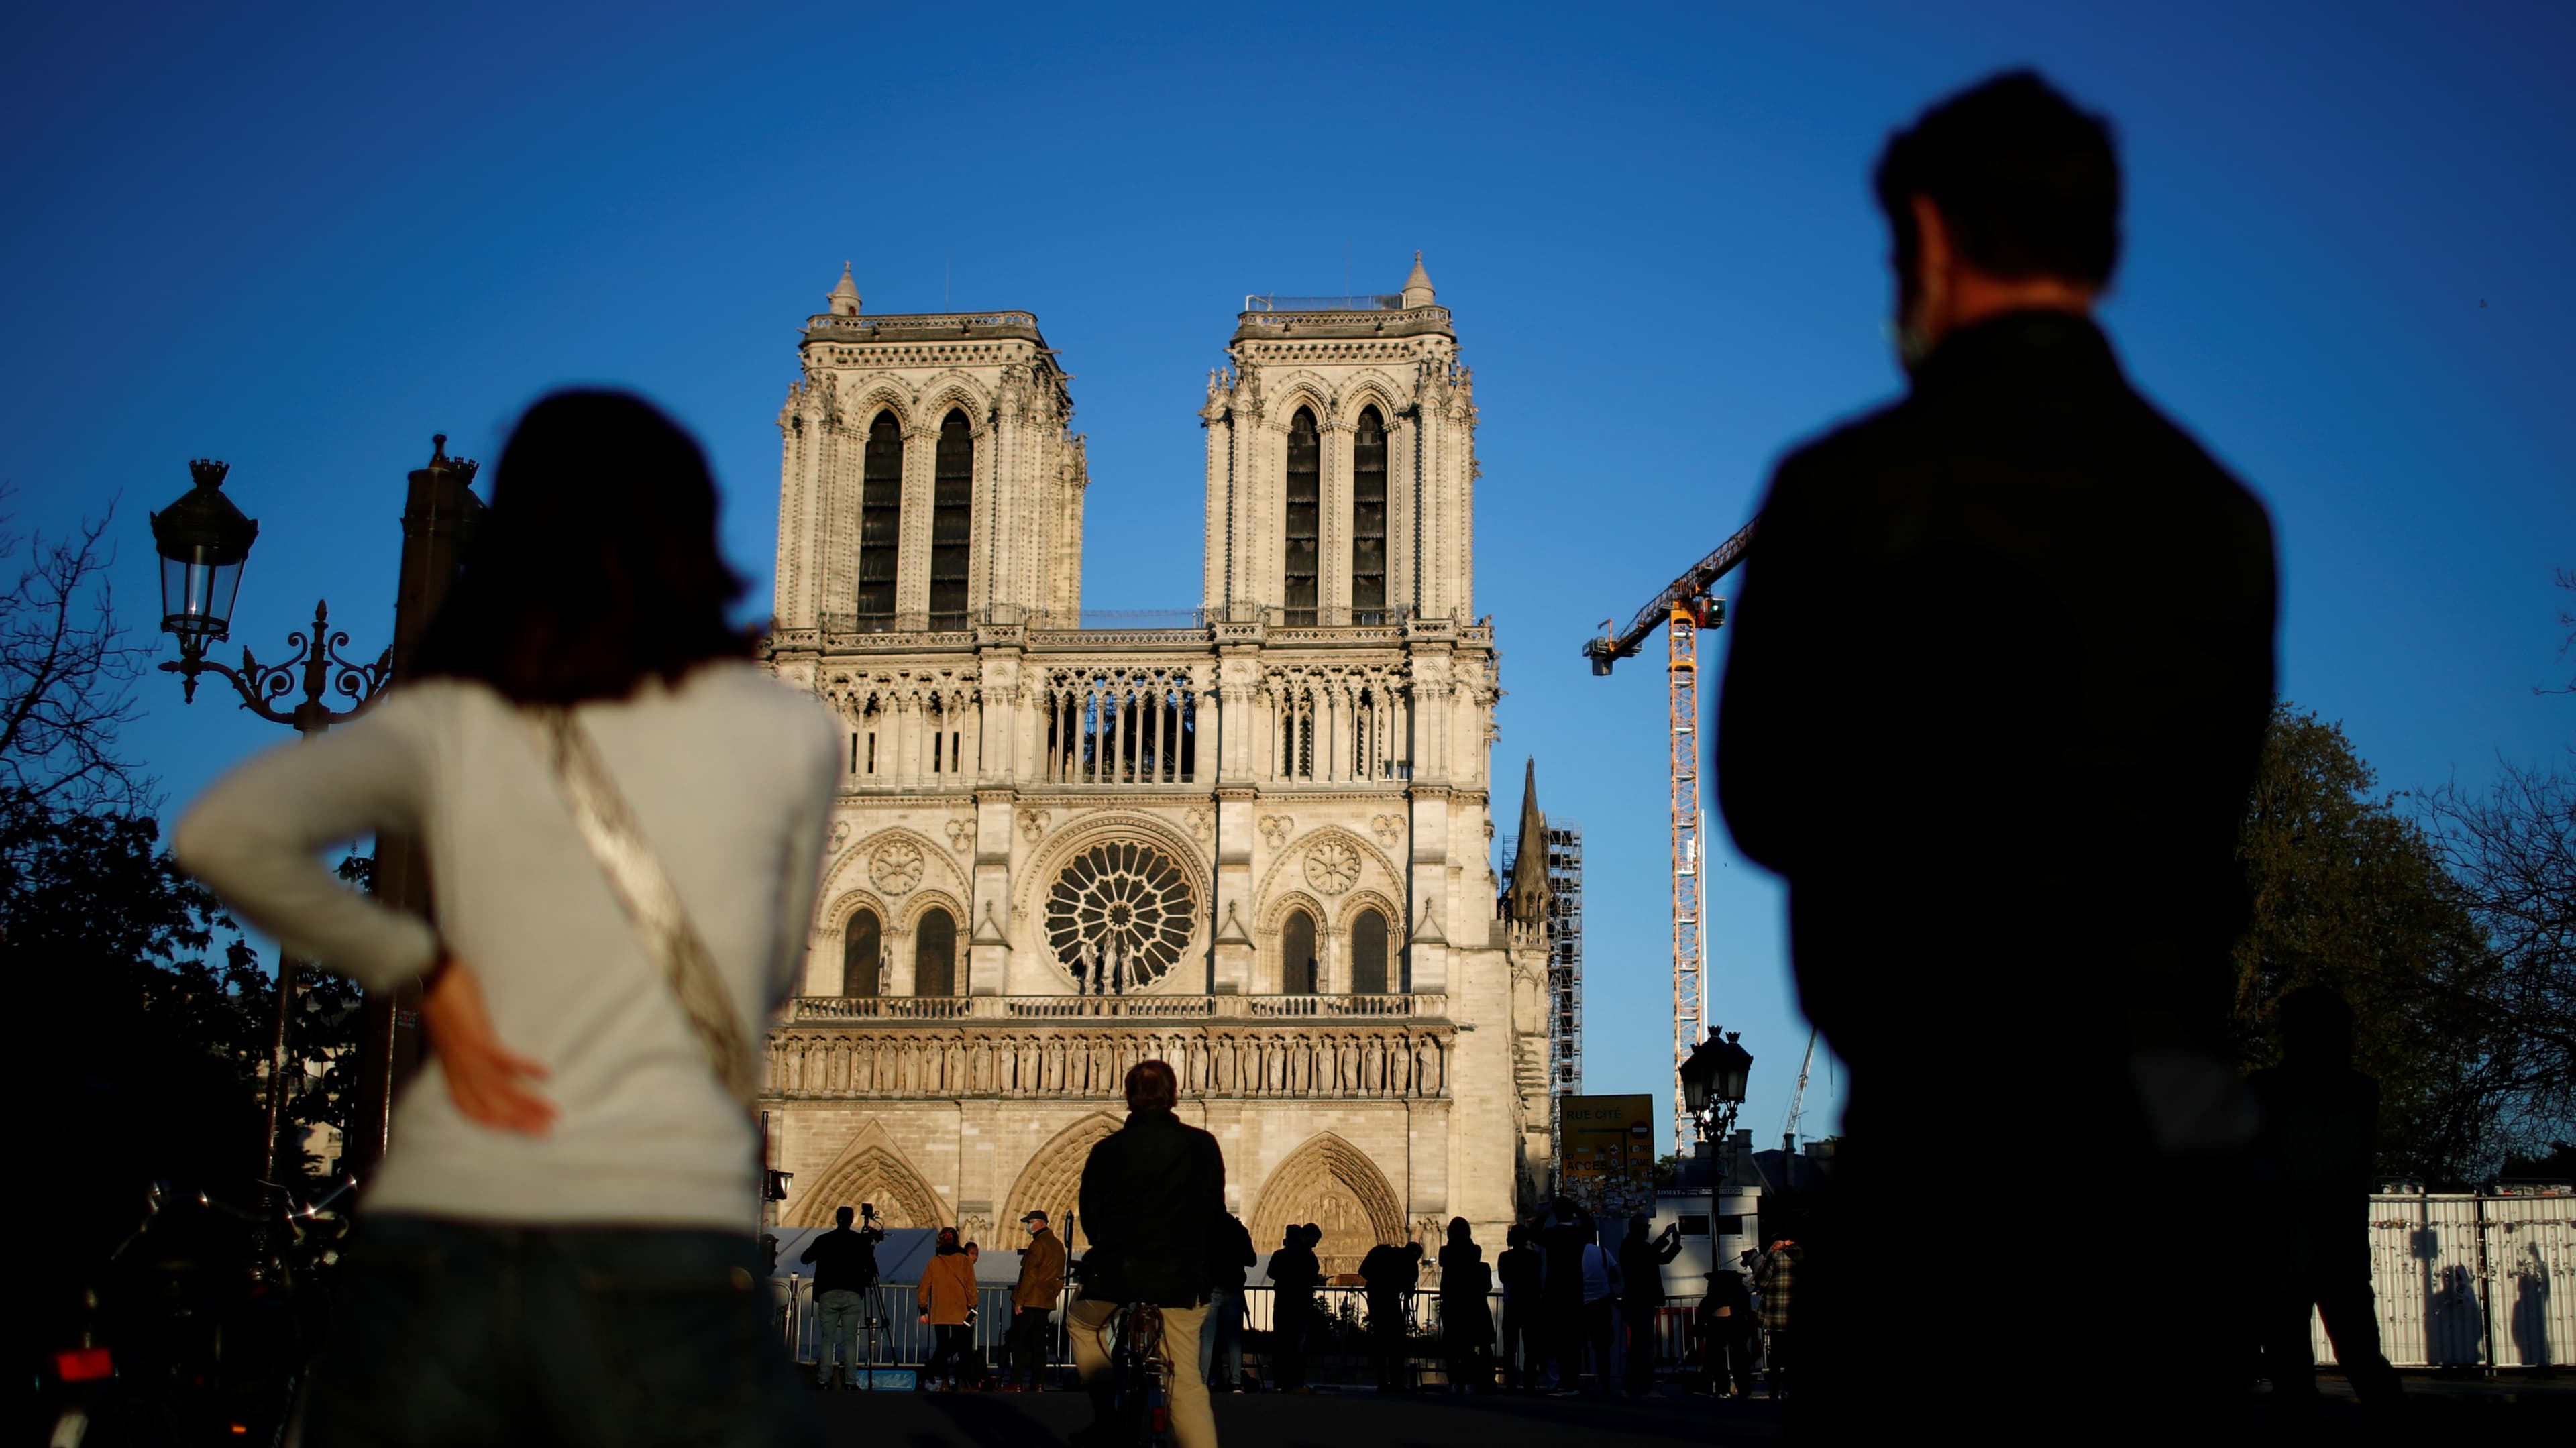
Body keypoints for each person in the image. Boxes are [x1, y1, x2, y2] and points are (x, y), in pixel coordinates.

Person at [1712, 69, 2279, 1434]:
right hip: (2175, 1144)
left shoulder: (1842, 489)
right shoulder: (2219, 513)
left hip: (1949, 1138)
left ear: (1932, 235)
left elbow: (1765, 799)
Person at [173, 390, 837, 1448]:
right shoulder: (793, 732)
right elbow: (777, 969)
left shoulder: (457, 718)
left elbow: (221, 831)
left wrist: (423, 965)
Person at [2250, 987, 2403, 1408]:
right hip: (2337, 1249)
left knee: (2292, 1368)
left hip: (2284, 1251)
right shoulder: (2357, 1091)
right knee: (2359, 1357)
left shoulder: (2267, 1089)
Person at [1068, 1060, 1224, 1448]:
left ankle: (1105, 1414)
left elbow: (1090, 1216)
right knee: (1185, 1379)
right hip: (1182, 1280)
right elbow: (1213, 1214)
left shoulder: (1106, 1151)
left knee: (1081, 1325)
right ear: (1174, 1096)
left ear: (1128, 1098)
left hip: (1116, 1276)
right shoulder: (1201, 1145)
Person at [804, 1204, 888, 1389]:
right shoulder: (860, 1241)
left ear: (836, 1218)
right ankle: (850, 1381)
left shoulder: (823, 1240)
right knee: (850, 1340)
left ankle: (823, 1379)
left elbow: (805, 1258)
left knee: (828, 1339)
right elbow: (872, 1268)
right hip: (852, 1293)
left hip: (828, 1292)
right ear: (852, 1220)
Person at [1533, 1198, 1596, 1395]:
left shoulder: (1551, 1235)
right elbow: (1591, 1225)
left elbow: (1534, 1232)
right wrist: (1578, 1207)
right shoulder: (1578, 1235)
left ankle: (1554, 1381)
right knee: (1573, 1340)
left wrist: (1545, 1213)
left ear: (1556, 1214)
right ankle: (1572, 1381)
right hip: (1575, 1290)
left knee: (1553, 1339)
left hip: (1553, 1290)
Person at [1616, 1219, 1682, 1394]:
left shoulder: (1632, 1246)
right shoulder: (1633, 1247)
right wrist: (1667, 1238)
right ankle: (1641, 1384)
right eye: (1646, 1227)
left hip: (1639, 1301)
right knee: (1644, 1346)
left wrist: (1674, 1243)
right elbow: (1653, 1255)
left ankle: (1636, 1384)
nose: (1647, 1230)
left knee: (1640, 1345)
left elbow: (1661, 1257)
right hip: (1641, 1301)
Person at [1005, 1209, 1067, 1392]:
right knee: (1039, 1344)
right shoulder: (1057, 1246)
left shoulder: (1038, 1245)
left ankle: (1016, 1382)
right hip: (1045, 1302)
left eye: (1029, 1222)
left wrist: (1020, 1301)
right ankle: (1037, 1382)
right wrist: (1051, 1297)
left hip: (1030, 1301)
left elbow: (1030, 1276)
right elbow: (1060, 1278)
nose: (1027, 1226)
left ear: (1039, 1222)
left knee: (1018, 1341)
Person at [1437, 1218, 1495, 1394]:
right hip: (1473, 1307)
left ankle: (1455, 1381)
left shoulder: (1445, 1253)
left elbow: (1443, 1263)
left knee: (1453, 1346)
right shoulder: (1475, 1252)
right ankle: (1472, 1380)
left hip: (1452, 1306)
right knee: (1471, 1345)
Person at [1200, 1210, 1256, 1392]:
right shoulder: (1240, 1232)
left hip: (1213, 1288)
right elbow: (1252, 1260)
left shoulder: (1209, 1230)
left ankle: (1202, 1380)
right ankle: (1236, 1381)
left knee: (1207, 1338)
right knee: (1234, 1339)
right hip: (1233, 1288)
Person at [1358, 1239, 1424, 1392]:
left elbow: (1363, 1271)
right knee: (1398, 1342)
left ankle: (1382, 1382)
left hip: (1375, 1299)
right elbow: (1409, 1287)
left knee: (1381, 1341)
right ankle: (1396, 1382)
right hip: (1390, 1301)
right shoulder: (1408, 1261)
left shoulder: (1383, 1253)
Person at [1265, 1223, 1322, 1392]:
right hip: (1301, 1305)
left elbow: (1271, 1273)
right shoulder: (1309, 1258)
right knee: (1298, 1345)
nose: (1315, 1245)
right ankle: (1296, 1383)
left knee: (1281, 1343)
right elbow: (1311, 1277)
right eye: (1315, 1240)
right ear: (1305, 1237)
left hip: (1282, 1303)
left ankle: (1279, 1382)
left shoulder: (1278, 1255)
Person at [918, 1227, 977, 1390]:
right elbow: (970, 1285)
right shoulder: (964, 1260)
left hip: (940, 1311)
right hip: (961, 1310)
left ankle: (943, 1380)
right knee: (964, 1346)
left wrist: (923, 1309)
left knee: (942, 1346)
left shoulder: (934, 1262)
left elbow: (924, 1287)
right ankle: (962, 1381)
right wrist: (973, 1306)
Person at [1495, 1224, 1544, 1392]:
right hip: (1531, 1305)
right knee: (1531, 1347)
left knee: (1510, 1347)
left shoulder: (1504, 1257)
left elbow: (1503, 1278)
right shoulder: (1535, 1257)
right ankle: (1529, 1384)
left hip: (1512, 1304)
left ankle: (1510, 1383)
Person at [1575, 1225, 1621, 1396]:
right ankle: (1605, 1383)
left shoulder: (1574, 1254)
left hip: (1580, 1304)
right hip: (1601, 1304)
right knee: (1603, 1347)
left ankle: (1576, 1381)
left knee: (1577, 1345)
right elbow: (1616, 1275)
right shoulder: (1603, 1252)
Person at [1696, 1267, 1757, 1398]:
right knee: (1739, 1356)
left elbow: (1704, 1308)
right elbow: (1747, 1309)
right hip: (1737, 1322)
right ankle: (1743, 1388)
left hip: (1716, 1323)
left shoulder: (1713, 1293)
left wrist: (1700, 1326)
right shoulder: (1740, 1291)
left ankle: (1723, 1389)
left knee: (1718, 1358)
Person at [1752, 1237, 1799, 1402]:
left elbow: (1762, 1281)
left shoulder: (1777, 1257)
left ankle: (1773, 1390)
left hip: (1777, 1314)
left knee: (1776, 1355)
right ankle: (1791, 1390)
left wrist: (1771, 1253)